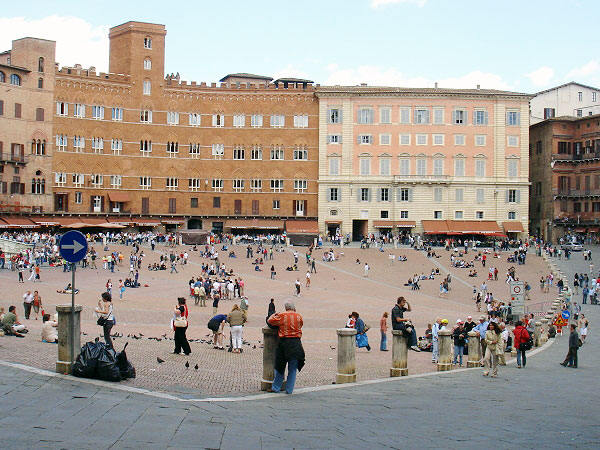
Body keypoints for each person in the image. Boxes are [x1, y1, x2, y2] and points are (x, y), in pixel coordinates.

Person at [267, 302, 305, 394]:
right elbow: (300, 324)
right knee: (293, 369)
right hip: (296, 343)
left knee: (280, 367)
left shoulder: (282, 315)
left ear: (286, 307)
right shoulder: (299, 316)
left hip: (284, 343)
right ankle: (289, 390)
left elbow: (270, 321)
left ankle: (276, 388)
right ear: (294, 308)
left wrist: (274, 314)